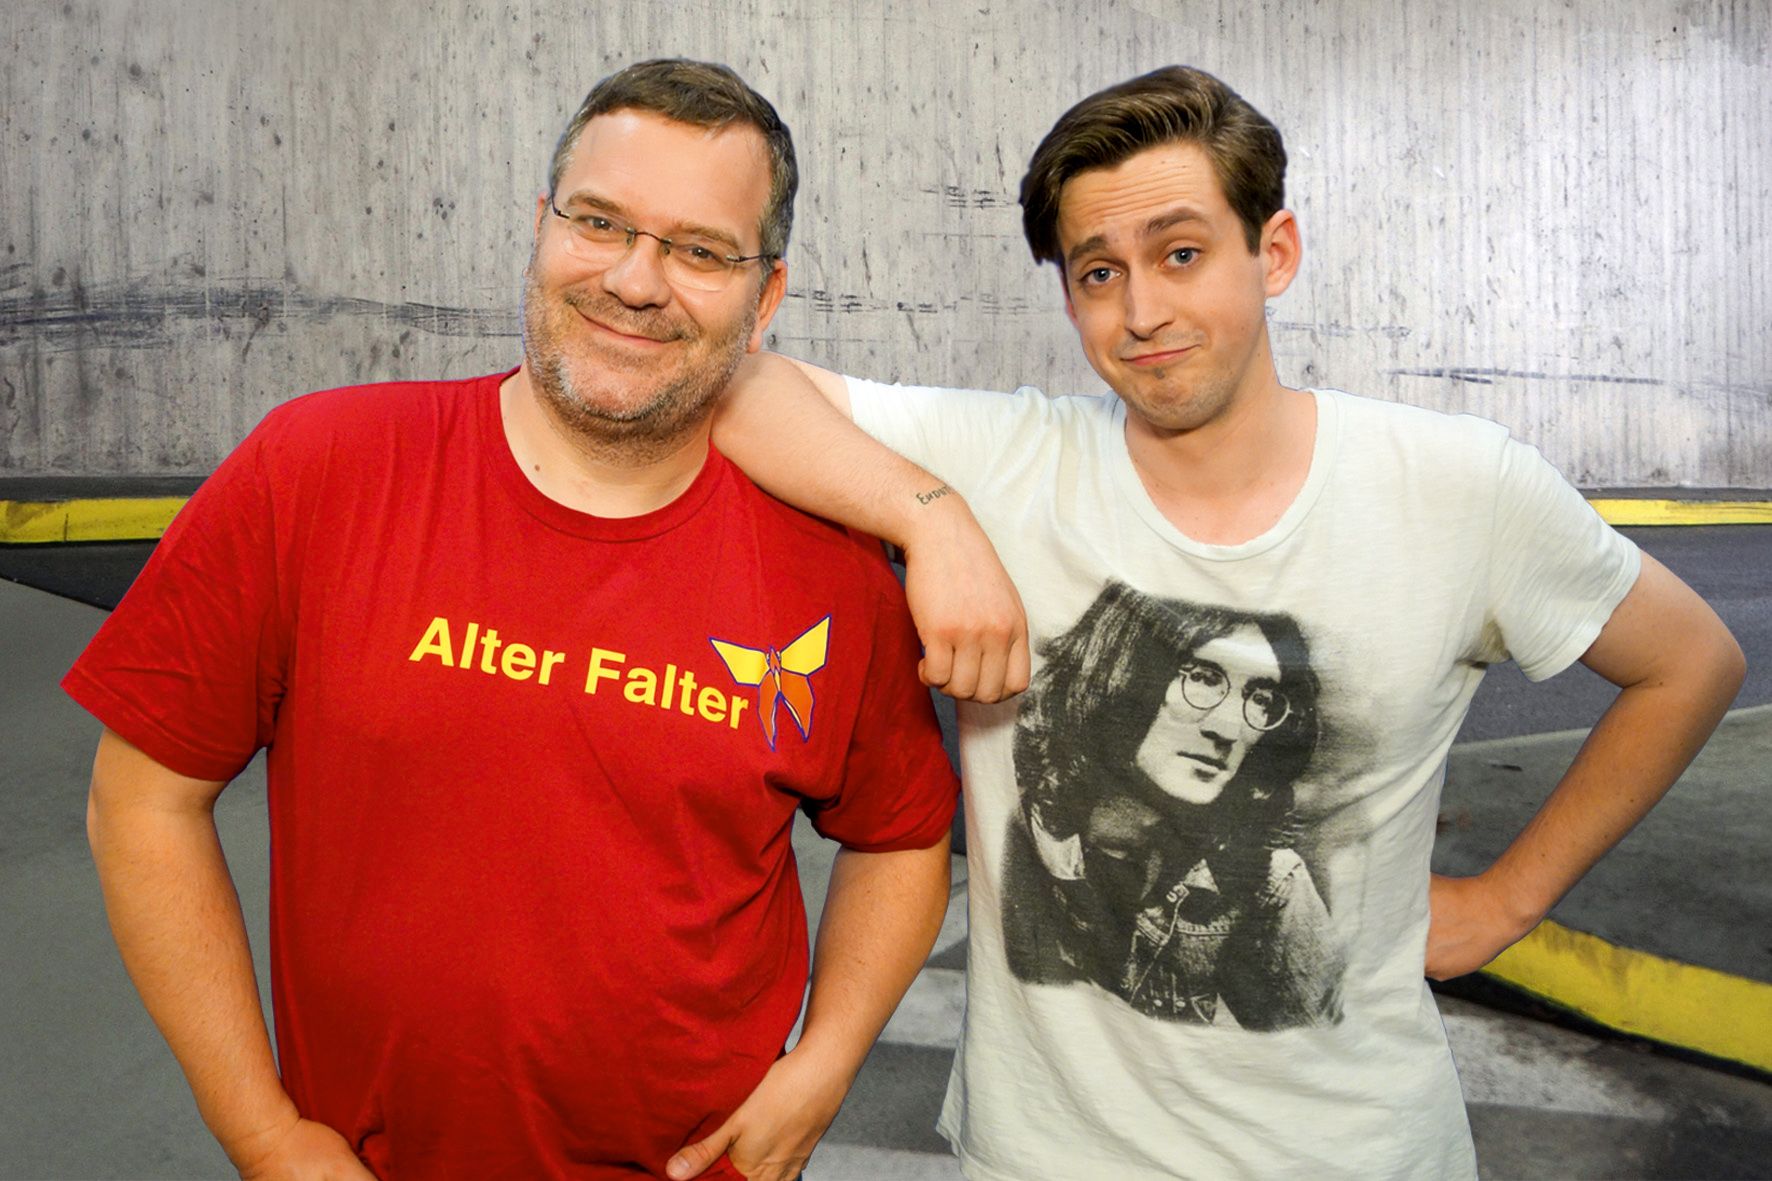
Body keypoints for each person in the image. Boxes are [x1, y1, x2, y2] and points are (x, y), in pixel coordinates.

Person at [711, 65, 1746, 1178]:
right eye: (1098, 272)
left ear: (1275, 251)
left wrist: (1506, 899)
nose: (1142, 311)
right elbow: (736, 384)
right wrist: (936, 521)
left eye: (1181, 253)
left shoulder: (1457, 487)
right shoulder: (1009, 461)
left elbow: (1689, 661)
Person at [67, 59, 958, 1181]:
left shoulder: (829, 568)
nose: (635, 280)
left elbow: (900, 833)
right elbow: (142, 800)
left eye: (699, 250)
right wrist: (261, 1132)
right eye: (600, 222)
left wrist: (825, 1061)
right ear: (542, 227)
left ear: (765, 295)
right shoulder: (319, 472)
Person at [1002, 581, 1341, 1030]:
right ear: (1119, 675)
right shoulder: (1020, 837)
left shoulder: (1269, 880)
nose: (1229, 729)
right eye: (1201, 678)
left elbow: (1324, 1047)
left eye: (1260, 700)